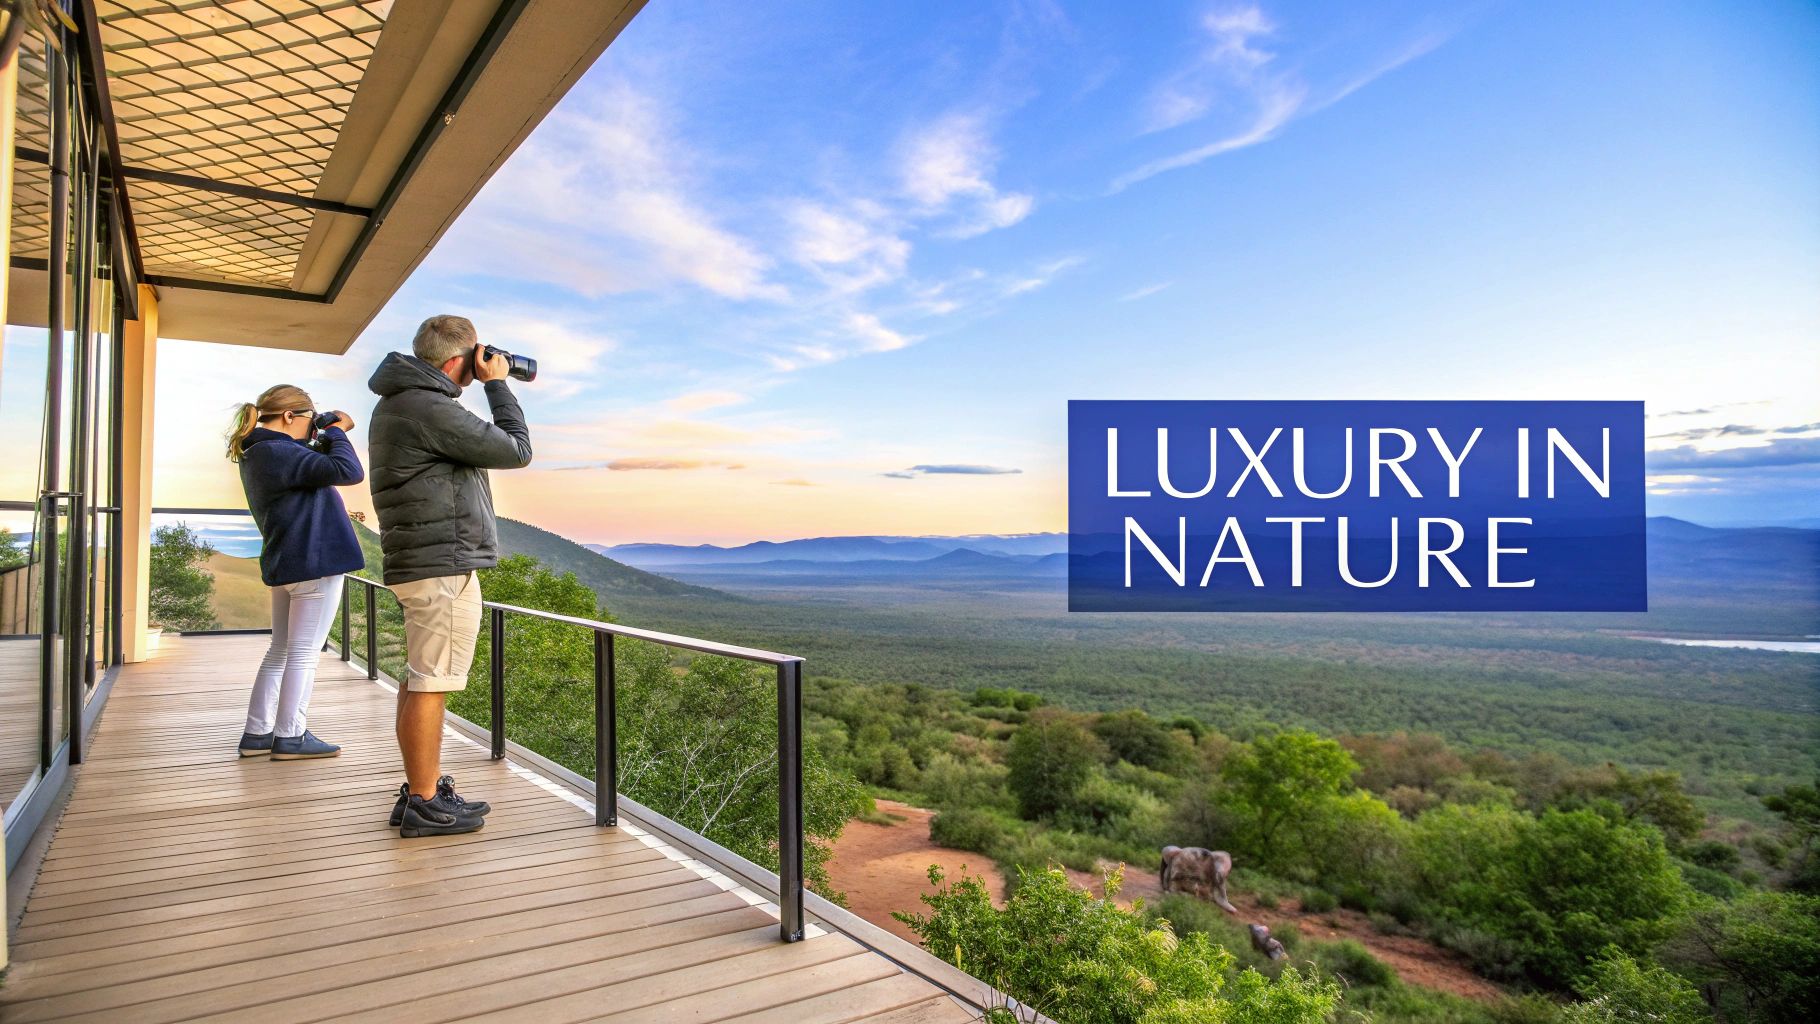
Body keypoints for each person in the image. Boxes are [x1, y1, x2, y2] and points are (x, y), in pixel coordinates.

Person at [368, 315, 532, 838]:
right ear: (457, 361)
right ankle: (421, 801)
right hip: (442, 563)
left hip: (423, 559)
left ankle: (422, 789)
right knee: (432, 684)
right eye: (478, 358)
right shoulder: (427, 406)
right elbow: (516, 450)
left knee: (420, 679)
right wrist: (499, 384)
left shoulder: (401, 402)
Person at [227, 385, 365, 760]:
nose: (311, 429)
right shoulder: (280, 452)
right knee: (303, 653)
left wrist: (323, 430)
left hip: (286, 561)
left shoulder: (260, 451)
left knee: (280, 651)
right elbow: (349, 471)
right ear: (290, 417)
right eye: (308, 420)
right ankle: (291, 735)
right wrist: (335, 430)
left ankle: (257, 734)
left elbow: (311, 458)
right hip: (314, 564)